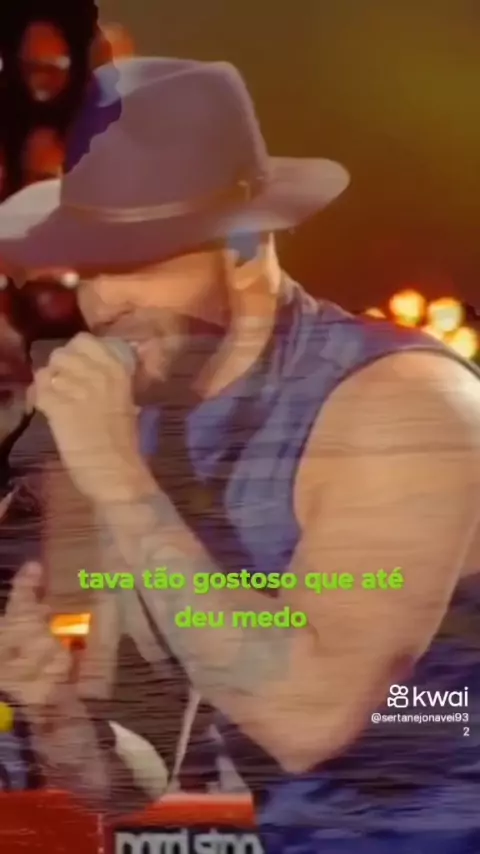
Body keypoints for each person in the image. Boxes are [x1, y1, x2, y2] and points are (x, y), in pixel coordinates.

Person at [0, 56, 479, 853]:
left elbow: (308, 720)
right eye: (91, 269)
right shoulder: (139, 423)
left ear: (247, 243)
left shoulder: (403, 404)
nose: (104, 303)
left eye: (139, 260)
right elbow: (133, 779)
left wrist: (117, 479)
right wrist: (53, 710)